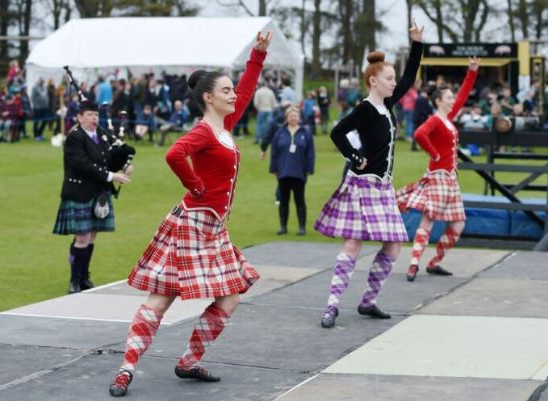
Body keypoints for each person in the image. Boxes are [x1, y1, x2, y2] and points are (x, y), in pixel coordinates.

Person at [108, 31, 272, 398]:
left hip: (212, 227)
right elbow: (174, 154)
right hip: (192, 223)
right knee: (162, 298)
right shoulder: (203, 131)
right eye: (226, 91)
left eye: (233, 90)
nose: (234, 95)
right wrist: (195, 185)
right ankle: (125, 370)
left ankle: (189, 361)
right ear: (208, 98)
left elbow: (246, 89)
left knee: (231, 297)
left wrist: (257, 56)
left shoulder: (225, 126)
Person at [314, 20, 424, 328]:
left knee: (392, 245)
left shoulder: (387, 105)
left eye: (392, 79)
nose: (393, 83)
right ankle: (331, 307)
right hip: (363, 186)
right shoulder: (364, 109)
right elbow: (337, 133)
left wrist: (416, 44)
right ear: (373, 81)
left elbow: (409, 76)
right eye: (388, 79)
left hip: (383, 189)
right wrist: (354, 156)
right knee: (352, 244)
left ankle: (368, 301)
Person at [396, 56, 480, 282]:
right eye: (449, 97)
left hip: (450, 179)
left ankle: (435, 263)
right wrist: (434, 154)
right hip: (439, 177)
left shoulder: (448, 118)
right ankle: (414, 263)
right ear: (439, 101)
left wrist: (472, 72)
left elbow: (463, 97)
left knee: (458, 223)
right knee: (429, 219)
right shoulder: (435, 120)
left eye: (452, 97)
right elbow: (419, 134)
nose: (453, 100)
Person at [52, 100, 133, 294]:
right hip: (80, 193)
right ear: (80, 117)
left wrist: (124, 165)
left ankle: (84, 277)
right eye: (89, 114)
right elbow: (82, 164)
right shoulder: (74, 138)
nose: (94, 118)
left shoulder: (101, 136)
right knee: (82, 237)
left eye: (96, 115)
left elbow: (108, 160)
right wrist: (111, 176)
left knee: (92, 236)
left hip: (99, 194)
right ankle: (74, 281)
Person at [270, 106, 315, 235]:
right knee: (283, 200)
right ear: (287, 118)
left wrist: (310, 169)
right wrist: (273, 168)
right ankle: (283, 226)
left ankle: (302, 227)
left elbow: (310, 152)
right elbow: (274, 151)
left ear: (299, 118)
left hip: (299, 172)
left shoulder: (305, 132)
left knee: (299, 199)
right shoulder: (280, 132)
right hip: (283, 171)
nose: (293, 118)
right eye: (291, 116)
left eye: (295, 116)